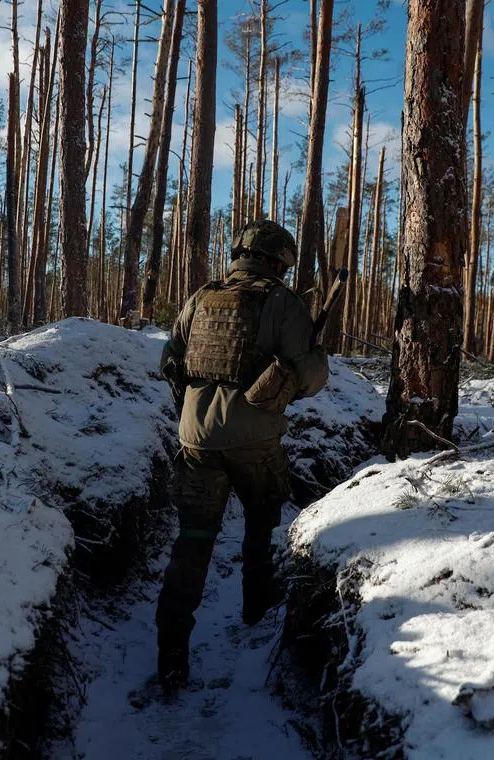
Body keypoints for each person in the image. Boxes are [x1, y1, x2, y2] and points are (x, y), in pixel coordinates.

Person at [155, 218, 329, 694]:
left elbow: (170, 362)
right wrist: (316, 359)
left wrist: (195, 412)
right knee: (263, 528)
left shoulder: (200, 296)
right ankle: (258, 619)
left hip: (195, 440)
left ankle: (171, 660)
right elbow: (308, 380)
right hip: (256, 442)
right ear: (277, 261)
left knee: (192, 542)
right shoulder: (284, 303)